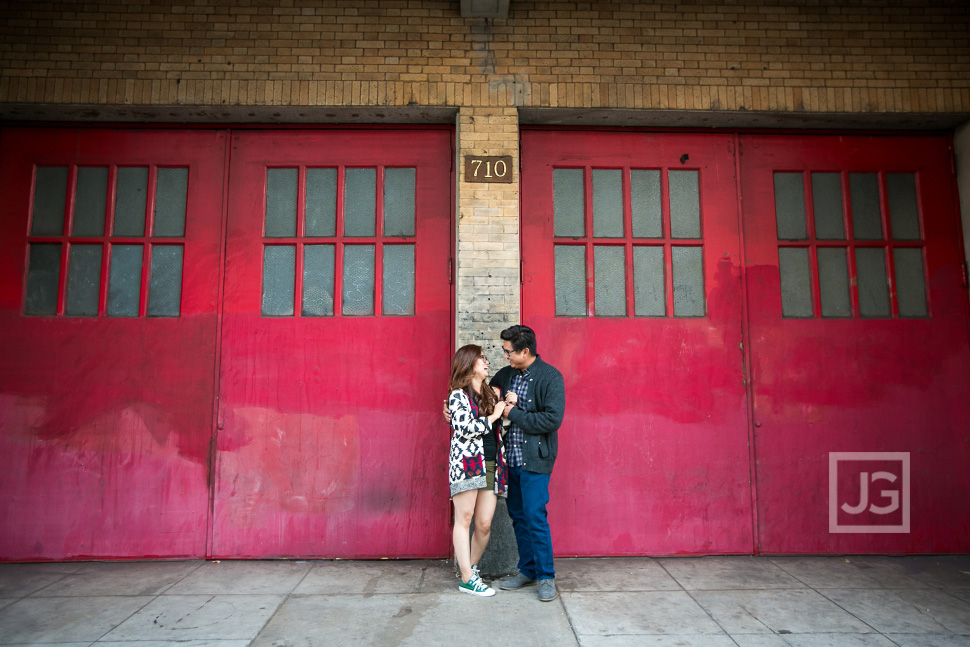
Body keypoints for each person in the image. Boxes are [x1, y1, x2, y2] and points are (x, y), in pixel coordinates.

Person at [490, 325, 565, 602]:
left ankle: (546, 576)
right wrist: (452, 406)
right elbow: (482, 398)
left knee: (535, 516)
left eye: (509, 351)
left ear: (525, 351)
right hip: (509, 460)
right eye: (504, 350)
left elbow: (552, 420)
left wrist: (514, 413)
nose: (505, 356)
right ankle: (527, 569)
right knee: (518, 516)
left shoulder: (550, 377)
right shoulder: (506, 375)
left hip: (535, 460)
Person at [447, 344, 509, 597]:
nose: (486, 361)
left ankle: (471, 570)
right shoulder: (457, 396)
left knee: (483, 524)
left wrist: (506, 409)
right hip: (466, 464)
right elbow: (465, 428)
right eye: (481, 358)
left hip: (491, 462)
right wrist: (494, 416)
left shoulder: (489, 394)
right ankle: (467, 578)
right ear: (469, 363)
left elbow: (500, 424)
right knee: (464, 519)